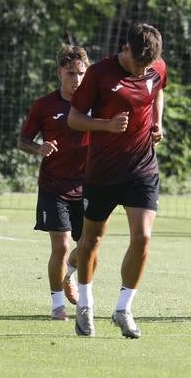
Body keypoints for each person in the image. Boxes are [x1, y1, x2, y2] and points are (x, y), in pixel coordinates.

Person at [66, 23, 166, 339]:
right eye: (138, 66)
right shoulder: (99, 74)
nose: (143, 72)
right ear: (124, 50)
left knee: (144, 237)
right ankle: (85, 305)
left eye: (147, 67)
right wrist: (106, 125)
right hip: (103, 172)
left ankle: (124, 309)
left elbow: (158, 90)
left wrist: (158, 122)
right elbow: (74, 118)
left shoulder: (154, 66)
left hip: (142, 168)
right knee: (92, 240)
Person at [17, 45, 90, 320]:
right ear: (60, 72)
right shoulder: (44, 105)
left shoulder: (94, 104)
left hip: (88, 186)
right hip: (54, 186)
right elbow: (22, 141)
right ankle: (57, 306)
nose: (77, 79)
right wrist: (39, 149)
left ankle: (69, 274)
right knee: (61, 246)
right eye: (71, 73)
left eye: (81, 73)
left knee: (89, 246)